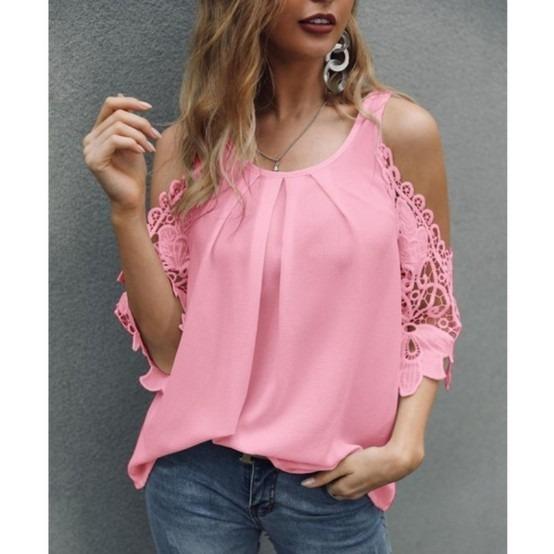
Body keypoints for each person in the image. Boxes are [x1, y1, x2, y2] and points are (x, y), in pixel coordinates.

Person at [82, 1, 463, 552]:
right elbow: (169, 351)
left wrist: (407, 445)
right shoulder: (190, 146)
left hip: (332, 481)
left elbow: (429, 312)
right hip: (197, 477)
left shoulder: (396, 132)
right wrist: (125, 211)